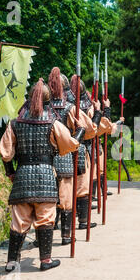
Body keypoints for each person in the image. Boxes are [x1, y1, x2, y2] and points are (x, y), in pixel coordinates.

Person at [0, 78, 86, 271]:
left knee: (19, 221)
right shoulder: (52, 123)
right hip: (45, 177)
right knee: (46, 218)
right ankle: (45, 261)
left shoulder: (15, 123)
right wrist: (80, 131)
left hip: (22, 177)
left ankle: (12, 261)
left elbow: (5, 152)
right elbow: (69, 144)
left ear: (29, 99)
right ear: (47, 101)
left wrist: (10, 172)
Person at [49, 68, 100, 245]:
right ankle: (70, 232)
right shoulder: (71, 108)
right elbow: (89, 130)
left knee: (48, 196)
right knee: (72, 194)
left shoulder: (40, 106)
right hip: (69, 154)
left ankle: (48, 231)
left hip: (46, 158)